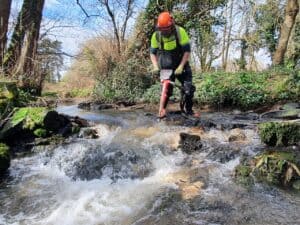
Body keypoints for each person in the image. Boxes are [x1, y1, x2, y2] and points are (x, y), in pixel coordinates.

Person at [150, 11, 199, 119]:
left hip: (181, 64)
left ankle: (189, 111)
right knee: (166, 90)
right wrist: (155, 65)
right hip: (166, 66)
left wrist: (181, 66)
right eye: (162, 29)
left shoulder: (180, 32)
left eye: (166, 29)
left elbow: (187, 51)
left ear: (171, 24)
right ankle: (162, 111)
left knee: (188, 89)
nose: (164, 31)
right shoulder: (156, 36)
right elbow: (152, 53)